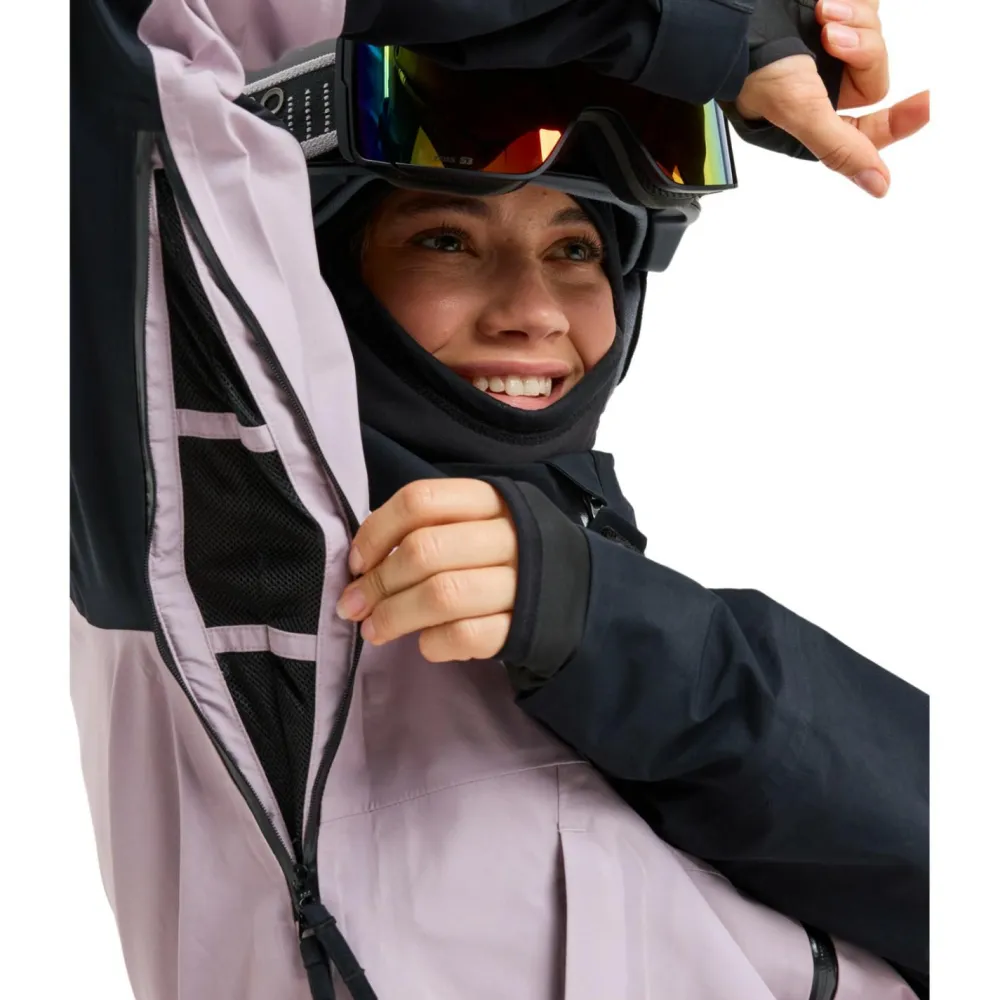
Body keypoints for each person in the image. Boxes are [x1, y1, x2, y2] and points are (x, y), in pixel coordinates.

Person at [71, 3, 929, 1000]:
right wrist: (688, 26)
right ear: (326, 269)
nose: (533, 312)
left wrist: (604, 620)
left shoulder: (615, 618)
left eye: (575, 251)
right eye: (446, 238)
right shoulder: (227, 539)